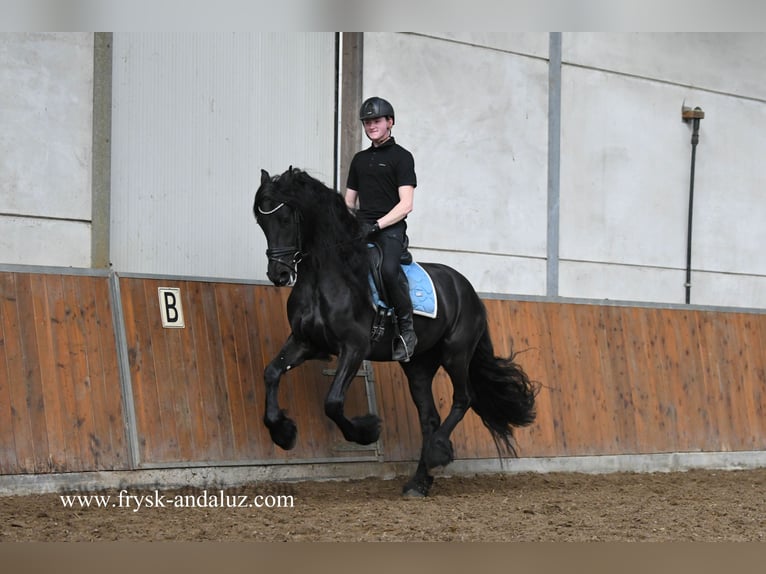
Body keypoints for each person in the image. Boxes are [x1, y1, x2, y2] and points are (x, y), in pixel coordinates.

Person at [345, 96, 418, 362]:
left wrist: (376, 225)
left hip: (390, 231)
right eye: (367, 122)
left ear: (390, 122)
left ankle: (406, 331)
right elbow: (349, 201)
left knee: (388, 270)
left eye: (376, 121)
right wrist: (349, 223)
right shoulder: (359, 159)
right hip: (362, 228)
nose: (371, 126)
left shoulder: (402, 158)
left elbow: (406, 204)